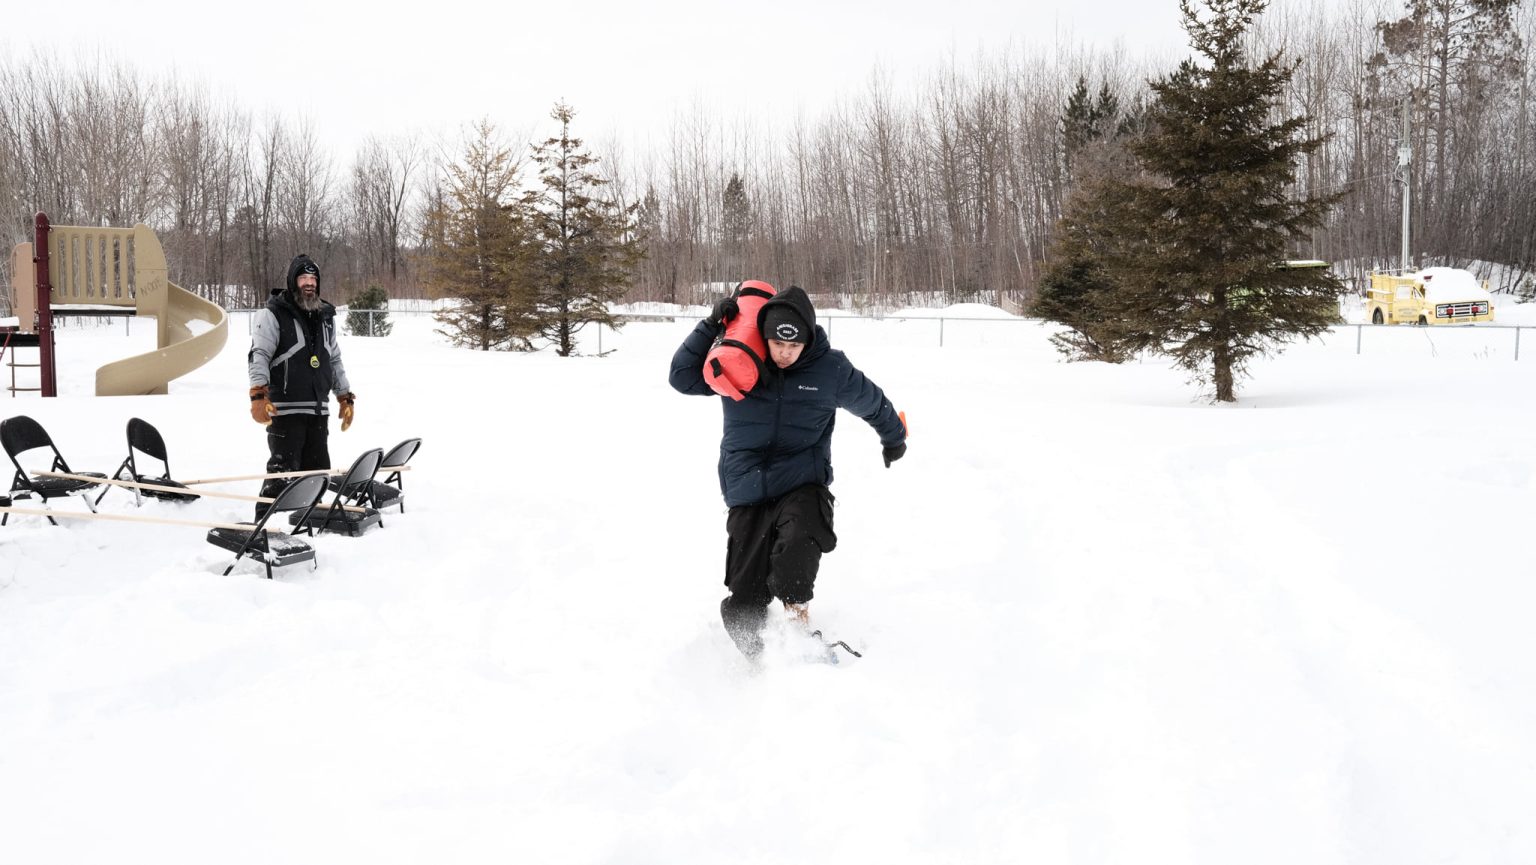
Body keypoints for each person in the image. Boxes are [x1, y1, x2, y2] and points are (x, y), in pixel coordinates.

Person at [669, 285, 907, 658]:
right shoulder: (740, 362)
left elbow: (872, 403)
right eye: (777, 344)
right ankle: (756, 660)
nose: (784, 353)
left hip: (802, 481)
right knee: (745, 602)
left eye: (793, 345)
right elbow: (682, 377)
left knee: (798, 545)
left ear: (807, 339)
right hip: (747, 489)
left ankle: (797, 628)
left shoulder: (830, 369)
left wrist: (893, 438)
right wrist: (709, 325)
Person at [247, 253, 355, 516]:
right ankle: (266, 525)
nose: (309, 283)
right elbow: (258, 354)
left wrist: (344, 396)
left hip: (317, 410)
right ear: (293, 281)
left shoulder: (325, 317)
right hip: (285, 409)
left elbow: (334, 358)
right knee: (281, 476)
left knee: (316, 477)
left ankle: (308, 524)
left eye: (313, 278)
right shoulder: (272, 314)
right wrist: (258, 393)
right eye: (303, 278)